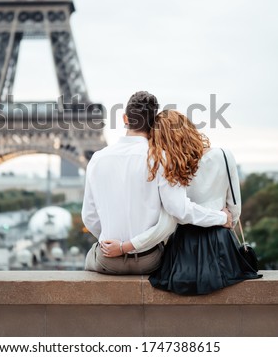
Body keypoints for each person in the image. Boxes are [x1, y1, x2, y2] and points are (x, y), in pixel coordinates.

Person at [102, 109, 262, 293]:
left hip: (183, 250)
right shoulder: (224, 156)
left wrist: (125, 247)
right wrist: (223, 217)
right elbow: (234, 212)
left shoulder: (168, 167)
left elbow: (170, 219)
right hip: (221, 246)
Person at [81, 92, 232, 275]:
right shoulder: (162, 159)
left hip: (109, 260)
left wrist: (111, 243)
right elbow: (180, 210)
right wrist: (222, 217)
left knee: (90, 256)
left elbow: (89, 217)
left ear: (125, 118)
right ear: (153, 124)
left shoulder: (97, 159)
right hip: (149, 260)